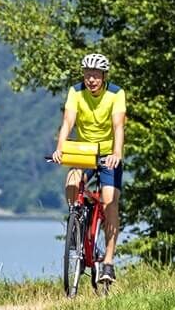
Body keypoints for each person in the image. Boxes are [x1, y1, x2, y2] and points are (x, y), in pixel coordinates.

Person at [50, 52, 126, 286]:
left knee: (110, 201)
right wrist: (60, 148)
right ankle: (78, 223)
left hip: (107, 154)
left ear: (104, 76)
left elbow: (118, 126)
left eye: (95, 75)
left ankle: (109, 264)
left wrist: (116, 154)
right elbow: (68, 122)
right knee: (72, 183)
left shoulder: (116, 93)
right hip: (83, 151)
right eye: (87, 74)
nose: (91, 79)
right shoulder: (76, 91)